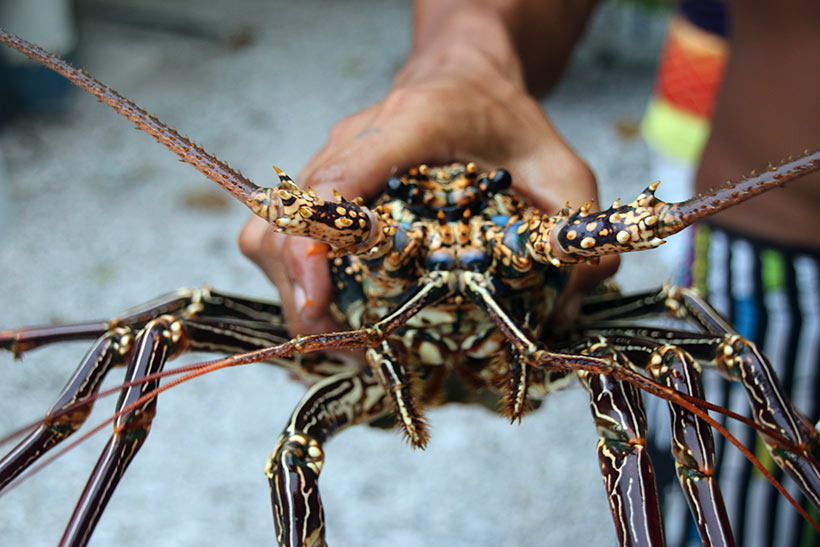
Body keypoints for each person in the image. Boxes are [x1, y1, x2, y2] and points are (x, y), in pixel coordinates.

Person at [238, 1, 820, 546]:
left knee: (680, 373)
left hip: (745, 250)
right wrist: (466, 64)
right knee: (174, 330)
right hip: (779, 250)